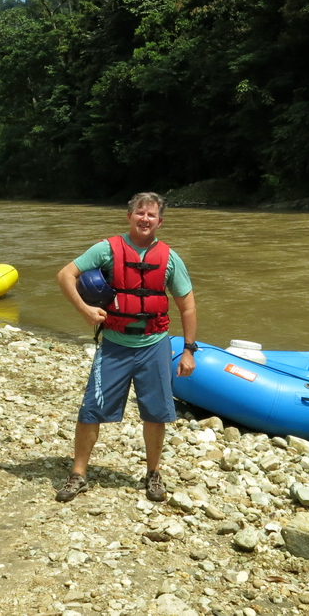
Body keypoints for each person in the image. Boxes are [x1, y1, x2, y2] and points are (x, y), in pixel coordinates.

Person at [54, 192, 198, 503]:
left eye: (152, 215)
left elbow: (187, 306)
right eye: (140, 213)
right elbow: (65, 275)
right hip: (114, 346)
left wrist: (188, 350)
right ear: (129, 216)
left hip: (154, 346)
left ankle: (153, 473)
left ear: (159, 221)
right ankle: (78, 474)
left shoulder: (170, 259)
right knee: (91, 409)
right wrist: (83, 309)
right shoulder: (106, 249)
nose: (145, 219)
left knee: (157, 413)